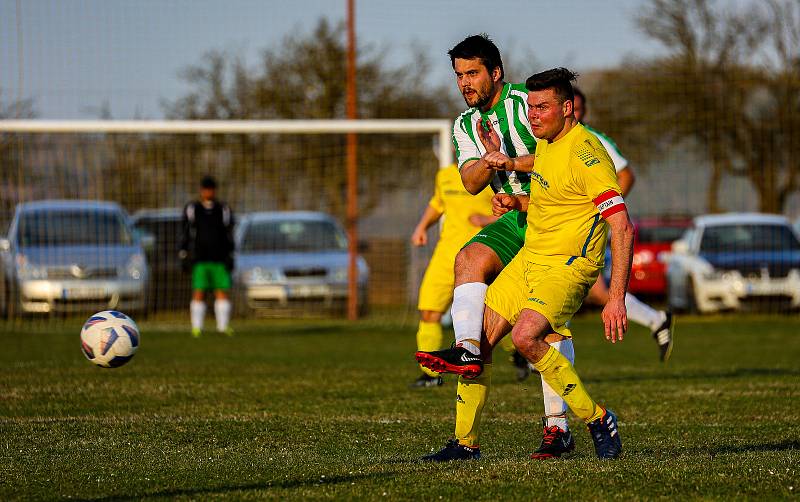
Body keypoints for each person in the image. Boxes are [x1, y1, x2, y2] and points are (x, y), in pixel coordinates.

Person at [421, 68, 631, 461]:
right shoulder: (549, 144)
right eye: (530, 106)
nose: (533, 115)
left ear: (568, 109)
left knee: (525, 337)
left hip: (568, 266)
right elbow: (553, 192)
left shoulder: (588, 153)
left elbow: (622, 225)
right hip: (532, 258)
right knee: (476, 347)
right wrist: (514, 191)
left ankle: (597, 418)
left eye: (542, 107)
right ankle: (465, 444)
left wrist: (615, 297)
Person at [573, 87, 674, 362]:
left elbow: (626, 175)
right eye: (572, 106)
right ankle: (656, 319)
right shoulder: (549, 142)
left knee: (582, 288)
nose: (575, 113)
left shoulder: (593, 139)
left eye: (580, 109)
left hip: (584, 228)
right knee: (590, 291)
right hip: (562, 225)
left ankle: (537, 355)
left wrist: (603, 207)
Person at [410, 164, 498, 388]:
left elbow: (513, 210)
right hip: (445, 255)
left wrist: (486, 220)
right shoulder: (445, 175)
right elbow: (437, 204)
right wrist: (421, 227)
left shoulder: (494, 174)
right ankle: (430, 375)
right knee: (429, 310)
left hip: (480, 254)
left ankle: (518, 356)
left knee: (495, 316)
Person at [179, 175, 235, 337]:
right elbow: (185, 232)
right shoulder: (192, 208)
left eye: (211, 189)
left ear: (214, 190)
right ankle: (197, 328)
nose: (208, 192)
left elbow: (229, 233)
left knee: (222, 291)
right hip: (200, 259)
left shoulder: (223, 209)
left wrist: (231, 254)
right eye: (205, 189)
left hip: (219, 259)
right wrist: (183, 253)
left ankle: (223, 327)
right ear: (201, 190)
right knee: (199, 292)